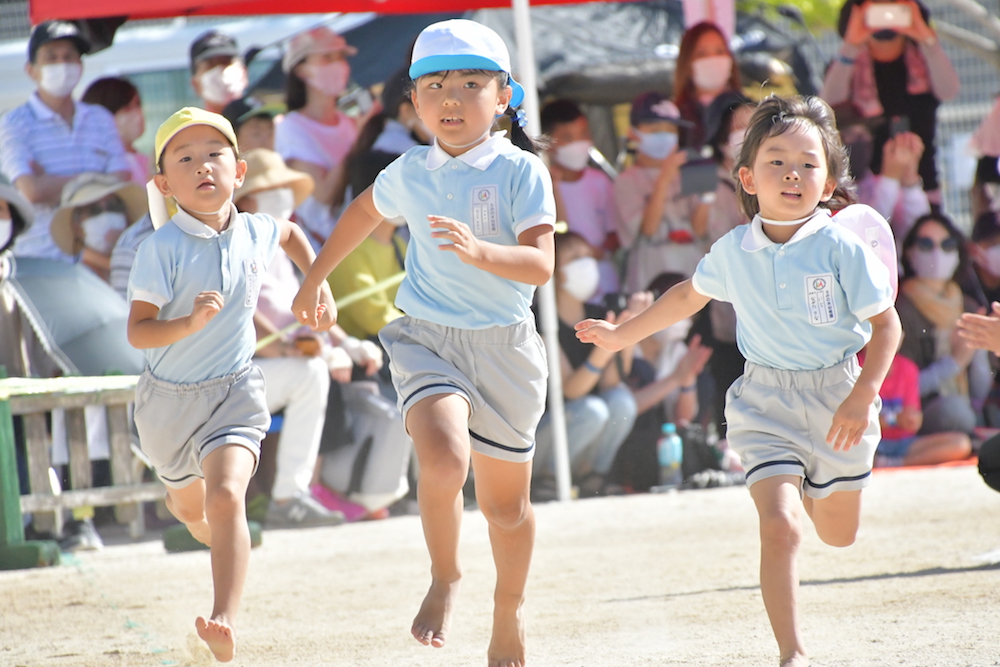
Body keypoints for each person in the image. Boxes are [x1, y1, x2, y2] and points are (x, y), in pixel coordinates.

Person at [577, 95, 901, 667]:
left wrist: (863, 395)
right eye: (777, 161)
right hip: (765, 403)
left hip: (840, 400)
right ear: (748, 178)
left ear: (827, 185)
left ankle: (817, 485)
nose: (792, 173)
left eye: (808, 164)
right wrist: (621, 335)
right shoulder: (733, 249)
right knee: (780, 526)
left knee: (838, 535)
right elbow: (687, 296)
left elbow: (887, 326)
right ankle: (792, 652)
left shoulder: (841, 247)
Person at [291, 19, 555, 666]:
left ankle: (509, 608)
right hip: (426, 338)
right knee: (441, 460)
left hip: (506, 350)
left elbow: (541, 265)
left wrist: (481, 251)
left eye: (470, 84)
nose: (451, 99)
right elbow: (361, 212)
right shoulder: (408, 169)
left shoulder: (523, 170)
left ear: (504, 97)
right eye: (434, 86)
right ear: (412, 102)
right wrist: (314, 278)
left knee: (506, 509)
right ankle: (445, 575)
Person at [126, 107, 336, 661]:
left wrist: (317, 287)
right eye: (185, 159)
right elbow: (139, 332)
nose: (203, 167)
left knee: (225, 496)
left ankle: (223, 618)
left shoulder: (256, 228)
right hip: (167, 404)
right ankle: (198, 518)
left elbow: (291, 233)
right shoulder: (159, 249)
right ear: (164, 185)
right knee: (191, 509)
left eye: (214, 155)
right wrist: (188, 323)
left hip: (235, 391)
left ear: (239, 171)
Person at [233, 148, 349, 528]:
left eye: (283, 187)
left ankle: (291, 495)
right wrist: (284, 347)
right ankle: (288, 497)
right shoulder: (235, 243)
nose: (281, 195)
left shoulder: (278, 249)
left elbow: (308, 305)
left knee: (316, 372)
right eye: (271, 189)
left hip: (273, 364)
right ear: (246, 199)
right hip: (232, 374)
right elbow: (242, 314)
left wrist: (341, 344)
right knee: (312, 373)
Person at [0, 20, 130, 261]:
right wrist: (97, 180)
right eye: (51, 57)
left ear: (80, 65)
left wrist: (49, 182)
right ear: (31, 69)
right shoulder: (13, 124)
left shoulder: (100, 118)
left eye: (69, 56)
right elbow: (31, 191)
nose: (62, 64)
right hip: (41, 261)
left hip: (98, 263)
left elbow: (121, 183)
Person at [532, 232, 642, 498]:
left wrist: (629, 332)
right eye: (574, 258)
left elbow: (611, 383)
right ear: (555, 270)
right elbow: (571, 390)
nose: (586, 264)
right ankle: (549, 479)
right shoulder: (541, 321)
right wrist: (602, 353)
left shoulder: (599, 314)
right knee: (592, 410)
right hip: (546, 437)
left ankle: (594, 475)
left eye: (587, 256)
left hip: (584, 433)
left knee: (621, 402)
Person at [821, 0, 958, 203]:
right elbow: (828, 104)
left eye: (894, 8)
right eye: (876, 10)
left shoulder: (924, 61)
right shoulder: (846, 65)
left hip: (922, 186)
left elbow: (949, 91)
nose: (886, 18)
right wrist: (851, 45)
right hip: (864, 191)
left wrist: (925, 37)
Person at [896, 213, 991, 435]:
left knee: (962, 411)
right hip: (914, 414)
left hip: (967, 410)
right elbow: (898, 388)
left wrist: (977, 351)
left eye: (947, 245)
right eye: (926, 244)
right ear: (909, 251)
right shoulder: (900, 308)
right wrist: (954, 363)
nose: (937, 253)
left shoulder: (967, 305)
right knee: (955, 411)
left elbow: (980, 393)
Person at [614, 91, 710, 291]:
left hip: (692, 277)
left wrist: (707, 195)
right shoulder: (626, 181)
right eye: (655, 129)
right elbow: (647, 231)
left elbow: (699, 231)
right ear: (633, 133)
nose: (664, 136)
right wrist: (663, 180)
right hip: (650, 281)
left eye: (670, 129)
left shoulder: (688, 172)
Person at [276, 27, 359, 247]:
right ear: (301, 70)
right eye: (327, 58)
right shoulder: (290, 128)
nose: (338, 65)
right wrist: (361, 142)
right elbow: (323, 194)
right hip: (322, 249)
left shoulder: (349, 123)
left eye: (341, 57)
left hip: (359, 243)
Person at [540, 98, 619, 301]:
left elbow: (614, 234)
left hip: (603, 279)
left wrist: (597, 252)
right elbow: (556, 228)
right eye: (568, 137)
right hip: (563, 280)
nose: (579, 143)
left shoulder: (600, 182)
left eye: (583, 134)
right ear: (548, 143)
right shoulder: (540, 184)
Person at [832, 102, 929, 249]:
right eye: (850, 135)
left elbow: (918, 230)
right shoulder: (827, 193)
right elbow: (868, 233)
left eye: (864, 134)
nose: (860, 141)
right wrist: (889, 178)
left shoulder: (881, 184)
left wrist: (909, 180)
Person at [862, 347, 971, 468]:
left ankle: (895, 463)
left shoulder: (907, 367)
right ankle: (881, 461)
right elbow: (855, 420)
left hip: (904, 443)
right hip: (867, 442)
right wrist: (894, 419)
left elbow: (913, 416)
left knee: (961, 443)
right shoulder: (855, 367)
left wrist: (913, 420)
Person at [49, 173, 147, 282]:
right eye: (94, 210)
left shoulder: (147, 264)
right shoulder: (76, 281)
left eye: (113, 207)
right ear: (77, 228)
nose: (106, 216)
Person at [673, 21, 743, 148]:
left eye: (720, 51)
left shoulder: (747, 111)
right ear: (687, 64)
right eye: (702, 54)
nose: (712, 59)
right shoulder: (674, 118)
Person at [81, 77, 151, 185]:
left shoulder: (149, 162)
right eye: (127, 109)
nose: (138, 113)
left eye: (138, 105)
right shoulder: (96, 167)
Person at [190, 30, 248, 115]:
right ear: (195, 85)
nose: (221, 71)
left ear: (244, 74)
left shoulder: (267, 121)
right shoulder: (193, 123)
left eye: (227, 62)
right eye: (211, 65)